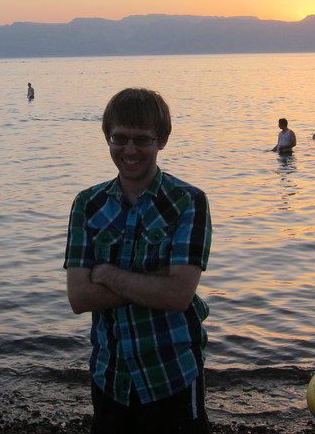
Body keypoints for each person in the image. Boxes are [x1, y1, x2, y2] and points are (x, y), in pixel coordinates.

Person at [64, 87, 213, 434]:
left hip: (172, 373)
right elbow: (79, 298)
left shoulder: (188, 202)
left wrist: (105, 274)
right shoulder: (87, 204)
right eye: (120, 139)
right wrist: (155, 280)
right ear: (108, 138)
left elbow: (177, 297)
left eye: (142, 140)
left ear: (161, 140)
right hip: (109, 375)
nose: (129, 151)